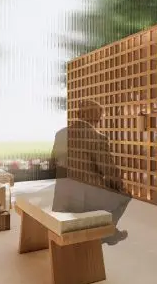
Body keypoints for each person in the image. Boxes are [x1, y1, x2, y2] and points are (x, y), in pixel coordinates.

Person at [53, 99, 129, 244]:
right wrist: (118, 185)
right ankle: (105, 231)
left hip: (61, 196)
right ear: (96, 118)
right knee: (124, 196)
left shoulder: (60, 134)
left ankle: (108, 230)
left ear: (78, 114)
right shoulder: (98, 138)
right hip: (85, 200)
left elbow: (53, 162)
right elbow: (109, 170)